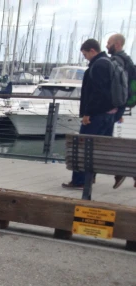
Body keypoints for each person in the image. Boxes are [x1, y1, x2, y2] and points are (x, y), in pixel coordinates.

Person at [62, 39, 116, 199]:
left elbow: (96, 93)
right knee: (97, 149)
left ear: (92, 50)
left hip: (95, 115)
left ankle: (80, 180)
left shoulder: (98, 65)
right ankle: (90, 177)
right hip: (108, 114)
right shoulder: (111, 63)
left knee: (81, 147)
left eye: (85, 54)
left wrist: (87, 113)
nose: (85, 58)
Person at [106, 33, 136, 188]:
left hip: (115, 105)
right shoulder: (128, 60)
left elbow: (115, 85)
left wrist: (113, 104)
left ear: (117, 44)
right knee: (106, 138)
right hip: (123, 104)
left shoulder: (116, 61)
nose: (106, 45)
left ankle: (121, 169)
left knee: (103, 140)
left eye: (109, 42)